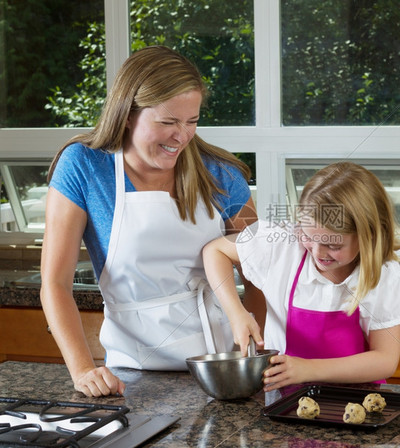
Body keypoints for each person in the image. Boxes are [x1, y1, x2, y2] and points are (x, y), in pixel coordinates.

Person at [40, 45, 262, 397]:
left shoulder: (222, 173)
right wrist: (82, 370)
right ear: (128, 114)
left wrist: (252, 352)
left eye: (192, 121)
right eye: (168, 122)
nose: (183, 136)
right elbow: (54, 283)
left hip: (218, 371)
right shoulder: (84, 167)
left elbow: (260, 270)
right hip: (132, 375)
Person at [203, 162, 400, 391]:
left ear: (368, 236)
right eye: (308, 235)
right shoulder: (281, 246)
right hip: (282, 401)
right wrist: (236, 313)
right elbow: (215, 251)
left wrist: (307, 369)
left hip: (356, 402)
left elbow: (385, 361)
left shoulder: (384, 275)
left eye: (334, 244)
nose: (318, 252)